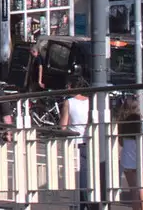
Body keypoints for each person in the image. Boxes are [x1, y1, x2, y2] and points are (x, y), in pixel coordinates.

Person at [60, 77, 91, 208]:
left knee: (76, 178)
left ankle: (79, 205)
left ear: (73, 87)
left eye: (68, 86)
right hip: (88, 142)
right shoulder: (90, 102)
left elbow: (63, 125)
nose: (67, 88)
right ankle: (87, 203)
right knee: (88, 176)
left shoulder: (69, 102)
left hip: (73, 143)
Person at [116, 96, 143, 209]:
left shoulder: (122, 123)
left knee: (133, 190)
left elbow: (121, 143)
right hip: (142, 157)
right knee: (142, 187)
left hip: (127, 159)